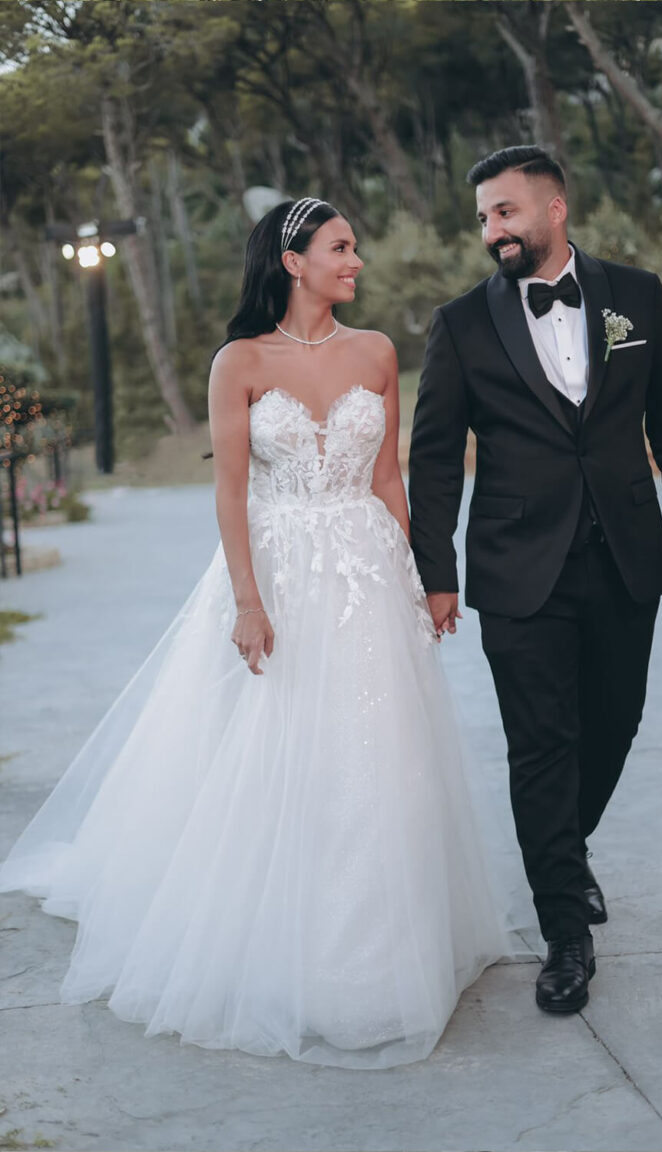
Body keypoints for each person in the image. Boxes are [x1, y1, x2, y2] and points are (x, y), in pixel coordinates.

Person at [0, 197, 511, 1070]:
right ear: (292, 258)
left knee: (377, 752)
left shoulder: (378, 351)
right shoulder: (238, 361)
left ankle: (380, 953)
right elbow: (229, 491)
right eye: (341, 247)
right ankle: (283, 937)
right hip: (276, 567)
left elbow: (388, 477)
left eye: (354, 245)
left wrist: (429, 578)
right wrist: (246, 598)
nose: (357, 260)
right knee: (278, 751)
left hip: (365, 567)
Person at [408, 146, 662, 1015]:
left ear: (554, 211)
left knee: (612, 725)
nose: (490, 232)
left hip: (626, 554)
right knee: (541, 744)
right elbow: (433, 461)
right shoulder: (462, 323)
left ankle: (563, 851)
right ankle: (564, 935)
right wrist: (435, 574)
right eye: (481, 218)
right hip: (517, 569)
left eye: (504, 213)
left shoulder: (638, 295)